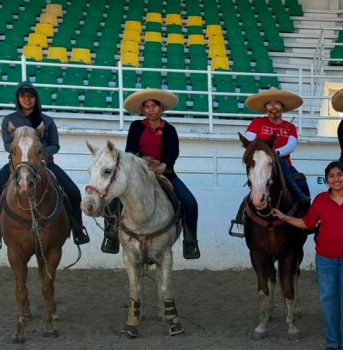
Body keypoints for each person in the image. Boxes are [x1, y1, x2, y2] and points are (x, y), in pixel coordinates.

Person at [272, 161, 343, 350]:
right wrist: (285, 218)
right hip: (325, 260)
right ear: (327, 180)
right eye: (332, 176)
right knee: (329, 300)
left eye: (340, 175)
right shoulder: (320, 201)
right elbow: (308, 223)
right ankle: (333, 342)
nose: (336, 179)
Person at [101, 89, 200, 259]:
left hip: (165, 174)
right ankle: (111, 236)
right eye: (147, 107)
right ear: (143, 110)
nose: (151, 109)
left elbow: (173, 151)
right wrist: (141, 159)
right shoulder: (136, 127)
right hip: (138, 174)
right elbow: (130, 150)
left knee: (190, 203)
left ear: (161, 108)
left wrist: (164, 164)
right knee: (112, 200)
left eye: (154, 106)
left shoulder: (169, 129)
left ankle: (190, 242)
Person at [0, 81, 90, 245]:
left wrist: (43, 154)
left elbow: (55, 144)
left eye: (30, 96)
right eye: (23, 96)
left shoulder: (46, 121)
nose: (27, 100)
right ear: (17, 99)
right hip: (18, 165)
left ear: (35, 98)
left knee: (74, 192)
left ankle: (77, 229)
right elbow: (8, 144)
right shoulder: (9, 120)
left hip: (45, 164)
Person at [243, 89, 310, 205]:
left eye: (277, 103)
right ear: (266, 108)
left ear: (282, 107)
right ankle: (242, 214)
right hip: (261, 162)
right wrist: (264, 154)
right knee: (255, 184)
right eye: (269, 103)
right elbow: (249, 141)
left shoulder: (290, 127)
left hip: (283, 162)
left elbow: (291, 146)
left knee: (302, 183)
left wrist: (274, 153)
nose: (273, 106)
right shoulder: (258, 122)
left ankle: (306, 211)